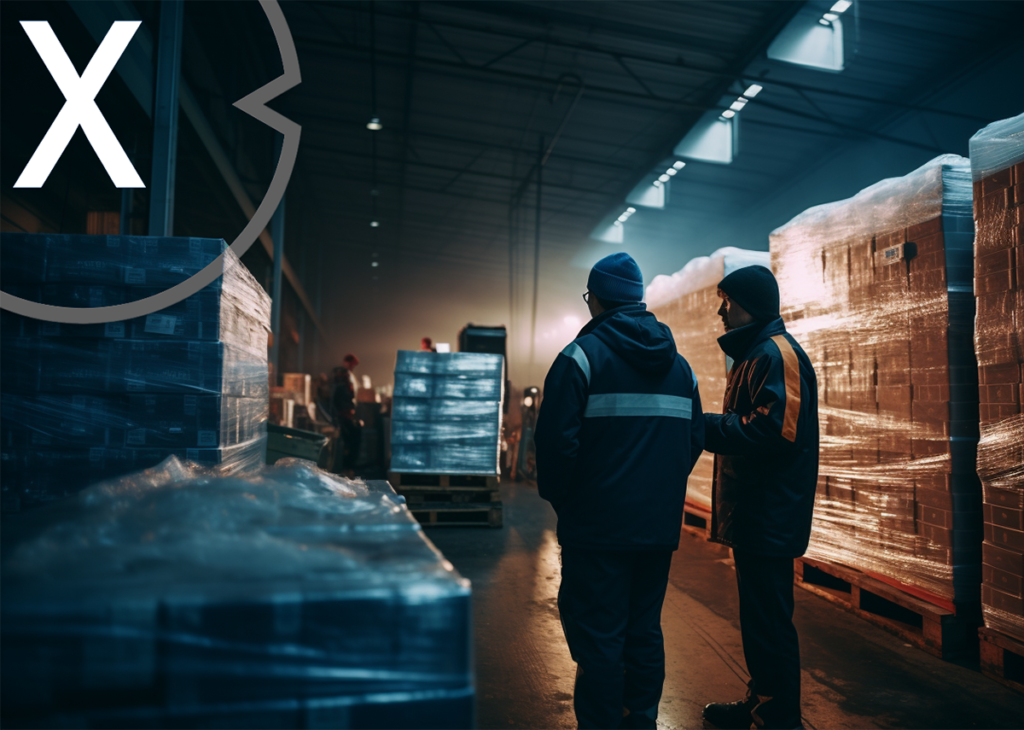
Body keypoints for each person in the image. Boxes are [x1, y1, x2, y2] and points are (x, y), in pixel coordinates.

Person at [534, 252, 705, 730]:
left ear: (595, 300)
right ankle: (641, 720)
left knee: (599, 637)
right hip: (656, 529)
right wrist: (659, 492)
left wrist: (569, 501)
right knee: (643, 631)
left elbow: (553, 446)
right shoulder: (682, 368)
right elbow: (692, 441)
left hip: (597, 529)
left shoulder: (579, 358)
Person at [700, 266, 818, 730]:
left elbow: (776, 430)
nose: (721, 310)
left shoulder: (776, 353)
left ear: (752, 303)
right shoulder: (755, 354)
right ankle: (763, 700)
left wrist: (706, 426)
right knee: (758, 617)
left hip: (770, 513)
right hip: (755, 513)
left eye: (727, 301)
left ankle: (780, 715)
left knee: (769, 619)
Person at [332, 354, 362, 475]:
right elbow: (343, 397)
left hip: (345, 414)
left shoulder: (346, 376)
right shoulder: (343, 376)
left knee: (350, 440)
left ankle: (347, 468)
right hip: (343, 415)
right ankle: (346, 468)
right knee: (350, 441)